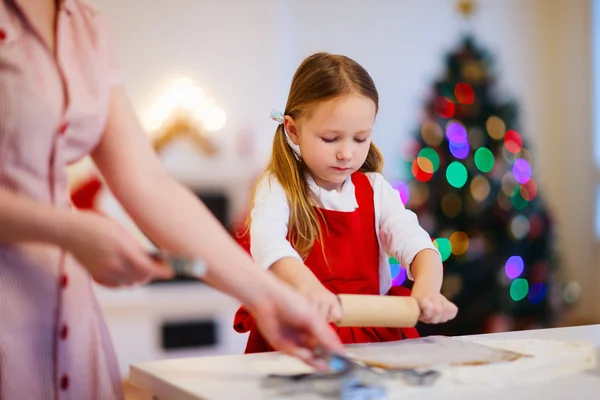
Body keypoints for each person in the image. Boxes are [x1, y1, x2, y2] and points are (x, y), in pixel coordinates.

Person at [0, 1, 342, 399]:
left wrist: (268, 297)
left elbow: (148, 182)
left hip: (69, 327)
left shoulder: (86, 26)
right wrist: (70, 229)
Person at [233, 52, 458, 353]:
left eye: (360, 138)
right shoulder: (279, 186)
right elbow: (267, 244)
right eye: (330, 139)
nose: (346, 154)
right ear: (293, 130)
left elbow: (418, 246)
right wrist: (310, 289)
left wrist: (427, 291)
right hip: (299, 335)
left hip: (372, 339)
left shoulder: (376, 190)